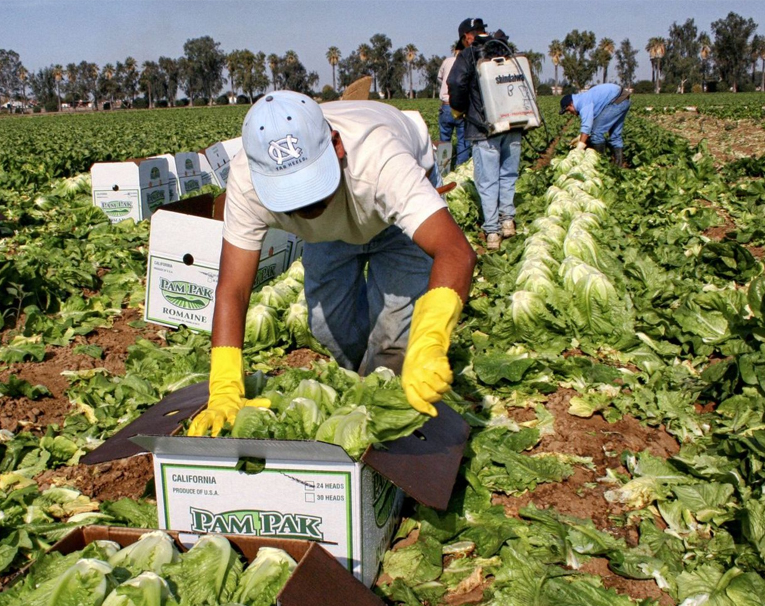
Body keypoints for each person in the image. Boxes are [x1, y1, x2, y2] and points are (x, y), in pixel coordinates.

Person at [188, 91, 478, 436]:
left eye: (311, 185)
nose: (303, 201)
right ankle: (365, 382)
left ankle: (389, 413)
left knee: (396, 344)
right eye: (287, 193)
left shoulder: (381, 161)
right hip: (326, 233)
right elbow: (233, 288)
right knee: (328, 326)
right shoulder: (247, 180)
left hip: (391, 219)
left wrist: (430, 340)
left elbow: (455, 251)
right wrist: (223, 387)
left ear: (337, 146)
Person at [447, 18, 521, 251]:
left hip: (484, 127)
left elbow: (456, 82)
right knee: (508, 174)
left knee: (488, 181)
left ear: (467, 36)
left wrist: (459, 108)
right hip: (514, 123)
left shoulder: (469, 54)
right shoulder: (504, 48)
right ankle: (508, 221)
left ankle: (492, 232)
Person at [560, 83, 632, 167]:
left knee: (596, 134)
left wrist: (579, 148)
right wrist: (581, 137)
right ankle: (618, 165)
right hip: (623, 98)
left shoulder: (582, 103)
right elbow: (592, 122)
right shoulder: (583, 98)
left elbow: (586, 126)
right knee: (615, 134)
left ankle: (601, 163)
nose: (569, 113)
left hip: (617, 100)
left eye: (568, 110)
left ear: (571, 104)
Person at [436, 41, 469, 168]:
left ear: (455, 50)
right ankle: (461, 168)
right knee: (463, 140)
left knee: (444, 141)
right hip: (460, 107)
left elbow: (440, 78)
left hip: (445, 105)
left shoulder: (447, 61)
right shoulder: (466, 63)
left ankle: (443, 169)